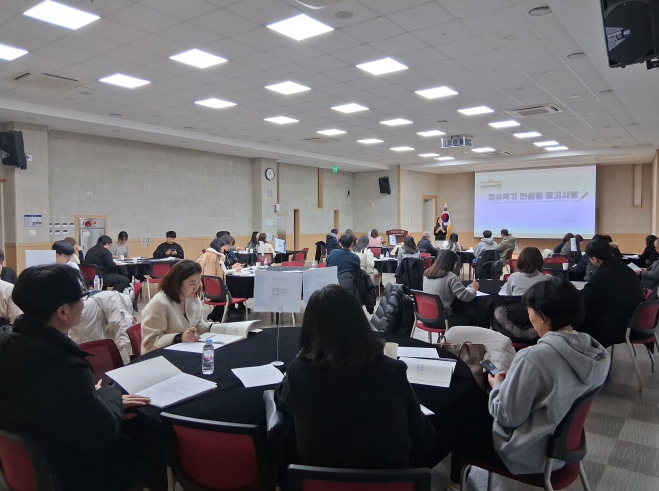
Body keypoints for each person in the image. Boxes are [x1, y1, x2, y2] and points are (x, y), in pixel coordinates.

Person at [0, 264, 150, 491]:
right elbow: (102, 432)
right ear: (63, 312)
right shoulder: (64, 364)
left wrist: (91, 396)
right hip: (64, 468)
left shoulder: (6, 340)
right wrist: (109, 395)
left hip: (22, 464)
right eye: (82, 297)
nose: (84, 303)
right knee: (143, 436)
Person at [449, 278, 609, 486]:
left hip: (528, 451)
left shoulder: (534, 358)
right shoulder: (597, 352)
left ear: (542, 316)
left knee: (461, 422)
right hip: (562, 447)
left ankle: (455, 482)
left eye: (530, 311)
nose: (528, 316)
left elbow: (506, 416)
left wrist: (497, 386)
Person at [274, 284, 435, 469]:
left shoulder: (298, 372)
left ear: (309, 328)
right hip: (388, 479)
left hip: (318, 479)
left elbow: (281, 401)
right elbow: (424, 438)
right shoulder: (392, 371)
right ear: (360, 323)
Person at [141, 260, 216, 353]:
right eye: (192, 283)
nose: (197, 287)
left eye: (198, 282)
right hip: (158, 355)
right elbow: (150, 342)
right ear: (177, 283)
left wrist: (211, 327)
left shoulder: (192, 298)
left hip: (183, 350)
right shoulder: (159, 304)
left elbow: (197, 325)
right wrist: (179, 337)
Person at [580, 240, 643, 348]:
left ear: (594, 259)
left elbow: (587, 298)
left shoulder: (602, 274)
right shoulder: (626, 269)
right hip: (633, 321)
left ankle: (584, 355)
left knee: (575, 321)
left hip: (616, 326)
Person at [423, 250, 480, 325]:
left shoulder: (427, 273)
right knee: (473, 316)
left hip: (425, 317)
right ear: (455, 264)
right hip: (443, 319)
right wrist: (474, 289)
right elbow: (466, 297)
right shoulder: (450, 276)